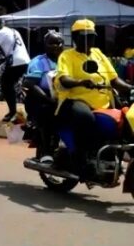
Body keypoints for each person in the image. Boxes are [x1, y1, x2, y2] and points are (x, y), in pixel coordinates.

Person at [54, 19, 133, 175]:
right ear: (75, 38)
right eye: (84, 36)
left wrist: (131, 88)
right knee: (86, 118)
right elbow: (64, 79)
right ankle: (81, 159)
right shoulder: (67, 55)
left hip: (103, 103)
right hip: (75, 101)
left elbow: (114, 79)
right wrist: (81, 82)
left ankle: (111, 155)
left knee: (125, 120)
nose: (89, 40)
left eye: (92, 36)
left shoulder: (98, 53)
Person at [22, 31, 63, 142]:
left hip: (62, 98)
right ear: (45, 45)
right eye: (52, 43)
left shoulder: (66, 61)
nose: (56, 46)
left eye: (59, 43)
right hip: (41, 99)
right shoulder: (38, 62)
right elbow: (30, 84)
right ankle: (46, 150)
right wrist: (49, 100)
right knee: (48, 113)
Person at [0, 19, 31, 122]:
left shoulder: (0, 33)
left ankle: (12, 113)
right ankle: (21, 110)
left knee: (6, 85)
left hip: (16, 62)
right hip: (25, 60)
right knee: (13, 84)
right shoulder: (13, 31)